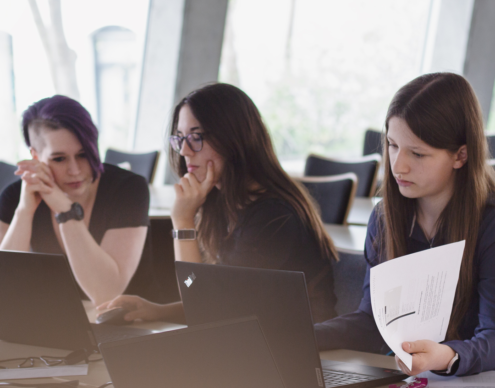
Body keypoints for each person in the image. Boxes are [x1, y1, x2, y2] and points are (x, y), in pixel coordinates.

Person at [99, 82, 338, 323]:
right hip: (254, 343)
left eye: (195, 137)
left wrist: (182, 222)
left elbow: (206, 308)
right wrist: (157, 310)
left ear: (232, 138)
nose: (184, 151)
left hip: (296, 354)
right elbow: (205, 291)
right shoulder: (225, 206)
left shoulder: (273, 217)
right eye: (180, 138)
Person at [315, 72, 495, 377]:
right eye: (392, 145)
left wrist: (447, 355)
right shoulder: (385, 217)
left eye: (418, 153)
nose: (398, 166)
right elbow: (372, 321)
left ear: (460, 155)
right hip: (408, 377)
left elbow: (492, 336)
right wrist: (302, 334)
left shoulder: (488, 223)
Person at [0, 95, 160, 305]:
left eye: (83, 154)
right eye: (59, 159)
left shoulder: (127, 189)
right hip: (54, 327)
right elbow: (5, 289)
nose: (75, 170)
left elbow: (106, 294)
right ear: (36, 157)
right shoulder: (16, 197)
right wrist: (24, 212)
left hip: (130, 327)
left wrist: (65, 211)